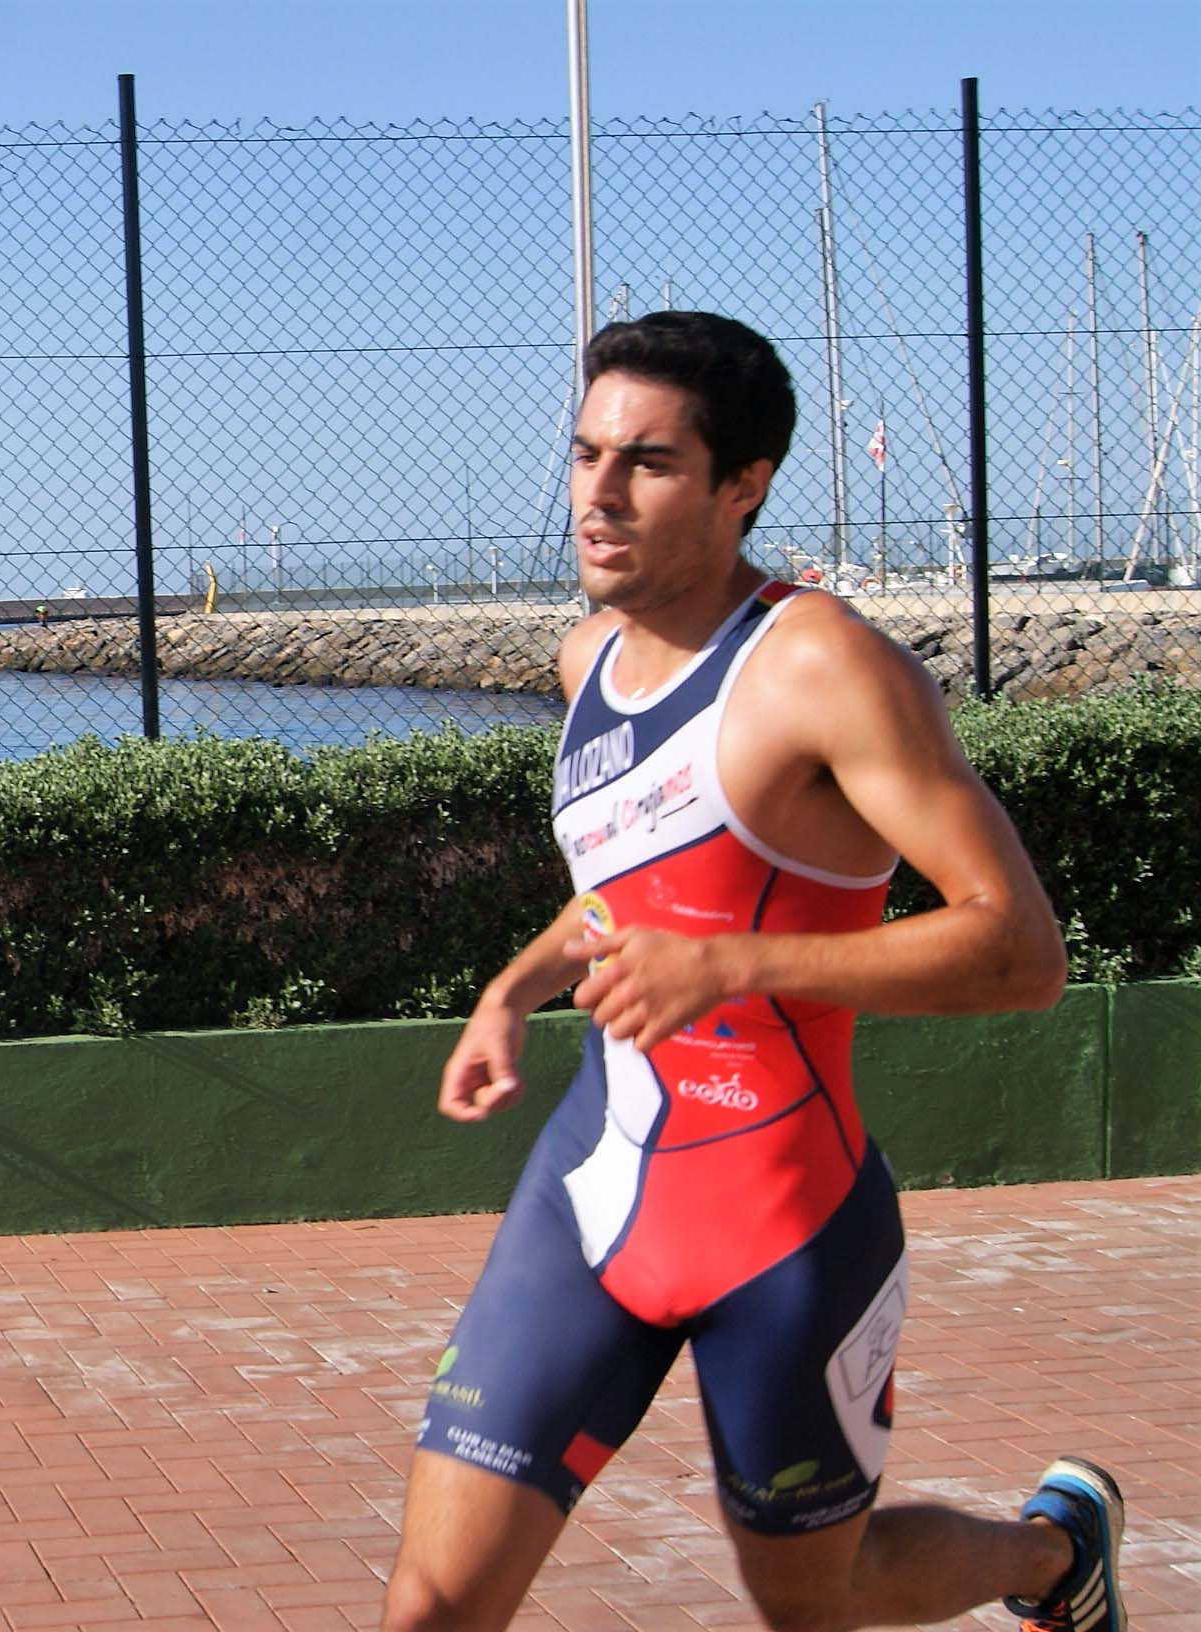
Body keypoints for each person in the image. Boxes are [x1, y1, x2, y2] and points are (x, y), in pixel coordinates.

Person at [381, 311, 1128, 1632]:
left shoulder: (823, 666)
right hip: (590, 1198)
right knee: (433, 1607)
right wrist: (511, 992)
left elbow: (1021, 950)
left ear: (744, 485)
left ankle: (1053, 1556)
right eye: (587, 453)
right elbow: (625, 889)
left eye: (650, 462)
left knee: (820, 1600)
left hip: (782, 1224)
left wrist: (732, 965)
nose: (600, 494)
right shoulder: (588, 659)